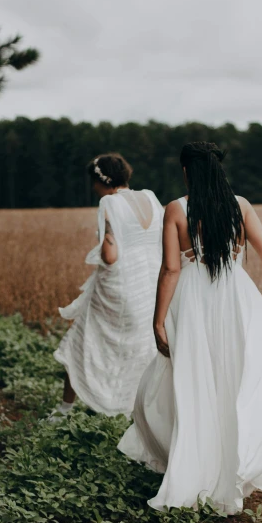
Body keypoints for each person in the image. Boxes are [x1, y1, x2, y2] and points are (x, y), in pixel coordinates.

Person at [118, 141, 262, 514]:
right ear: (219, 169)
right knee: (232, 384)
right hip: (237, 298)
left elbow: (172, 269)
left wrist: (158, 319)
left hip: (192, 303)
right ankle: (228, 477)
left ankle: (190, 472)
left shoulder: (176, 209)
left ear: (186, 170)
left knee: (190, 387)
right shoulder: (241, 206)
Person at [49, 153, 164, 421]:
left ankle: (64, 410)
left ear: (103, 181)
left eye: (94, 182)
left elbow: (110, 255)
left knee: (82, 341)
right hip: (149, 286)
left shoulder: (109, 203)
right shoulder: (150, 197)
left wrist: (100, 249)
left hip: (118, 286)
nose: (92, 188)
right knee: (139, 348)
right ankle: (137, 414)